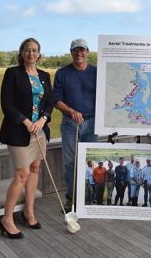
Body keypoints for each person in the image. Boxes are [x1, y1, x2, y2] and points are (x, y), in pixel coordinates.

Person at [0, 38, 53, 238]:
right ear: (22, 53)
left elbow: (49, 102)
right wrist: (25, 121)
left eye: (35, 50)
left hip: (39, 132)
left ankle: (28, 211)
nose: (31, 53)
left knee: (35, 169)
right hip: (18, 131)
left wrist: (43, 120)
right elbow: (7, 104)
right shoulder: (12, 73)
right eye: (27, 50)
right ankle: (7, 219)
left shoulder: (45, 76)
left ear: (39, 54)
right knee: (22, 173)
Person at [52, 38, 97, 212]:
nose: (79, 53)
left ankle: (87, 198)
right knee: (70, 163)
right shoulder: (62, 73)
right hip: (71, 124)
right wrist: (71, 111)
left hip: (92, 123)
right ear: (71, 52)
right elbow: (56, 100)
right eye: (75, 50)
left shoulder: (96, 72)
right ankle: (71, 199)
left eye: (82, 50)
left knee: (89, 162)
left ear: (87, 52)